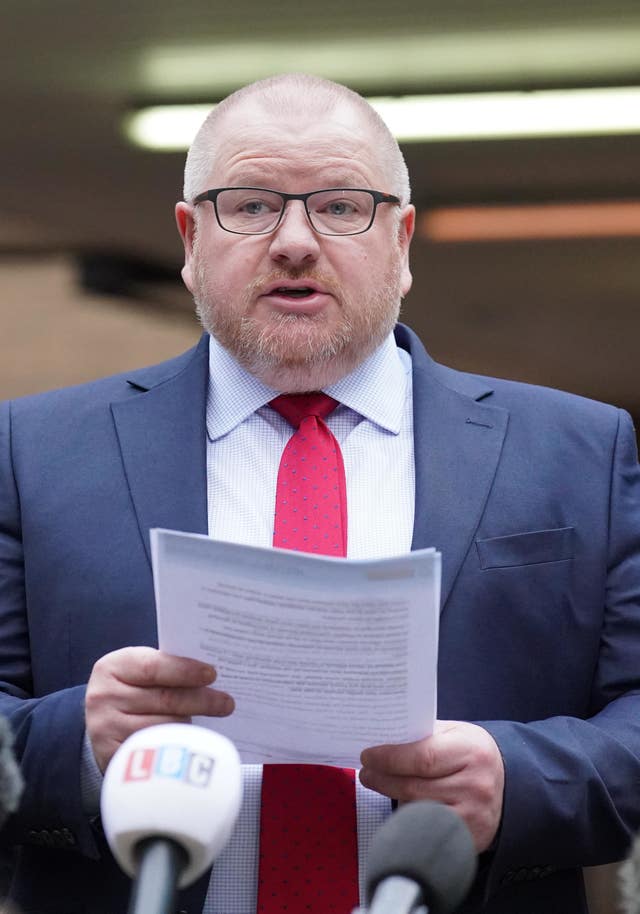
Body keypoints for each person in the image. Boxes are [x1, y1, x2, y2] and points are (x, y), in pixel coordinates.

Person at [1, 72, 639, 914]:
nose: (295, 241)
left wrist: (517, 780)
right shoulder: (34, 451)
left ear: (402, 242)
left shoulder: (578, 452)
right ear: (190, 241)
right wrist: (76, 744)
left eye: (341, 206)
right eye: (252, 205)